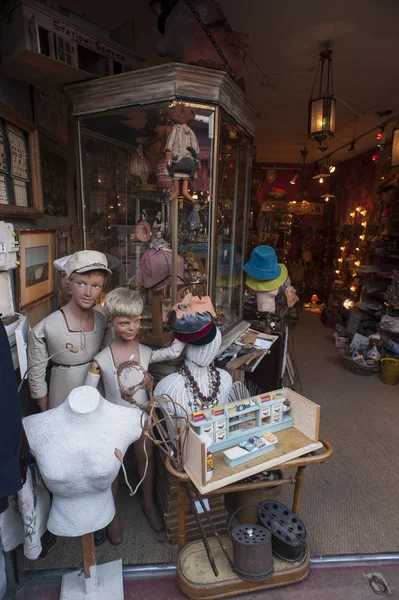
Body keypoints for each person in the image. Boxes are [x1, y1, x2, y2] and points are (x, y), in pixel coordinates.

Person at [85, 287, 185, 540]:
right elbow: (86, 394)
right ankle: (112, 513)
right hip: (112, 421)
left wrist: (185, 319)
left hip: (142, 418)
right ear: (111, 322)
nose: (132, 327)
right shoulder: (101, 359)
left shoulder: (145, 352)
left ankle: (148, 503)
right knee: (113, 466)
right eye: (124, 322)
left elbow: (173, 352)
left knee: (146, 457)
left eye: (137, 321)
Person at [27, 251, 112, 412]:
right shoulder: (45, 328)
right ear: (70, 282)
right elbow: (36, 376)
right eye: (81, 283)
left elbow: (107, 360)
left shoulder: (104, 322)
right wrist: (47, 413)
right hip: (61, 398)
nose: (88, 293)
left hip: (96, 395)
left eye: (95, 286)